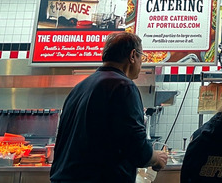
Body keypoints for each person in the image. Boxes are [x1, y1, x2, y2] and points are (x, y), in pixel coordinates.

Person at [50, 32, 168, 183]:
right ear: (133, 56)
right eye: (141, 57)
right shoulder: (124, 86)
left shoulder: (80, 87)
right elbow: (136, 148)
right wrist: (155, 157)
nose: (141, 63)